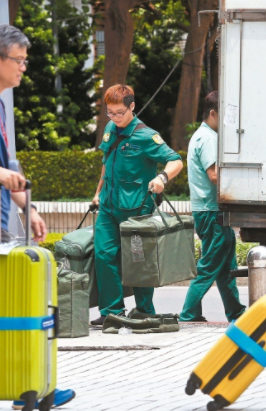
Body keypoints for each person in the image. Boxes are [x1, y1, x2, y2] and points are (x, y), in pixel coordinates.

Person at [0, 22, 75, 410]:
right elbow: (0, 170)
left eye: (25, 60)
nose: (24, 67)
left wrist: (31, 209)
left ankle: (27, 383)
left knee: (7, 307)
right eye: (19, 60)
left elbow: (9, 167)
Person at [90, 84, 183, 326]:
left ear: (132, 106)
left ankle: (144, 309)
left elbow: (175, 160)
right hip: (109, 208)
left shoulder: (145, 136)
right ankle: (112, 311)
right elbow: (106, 162)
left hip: (137, 212)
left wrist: (162, 178)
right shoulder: (110, 128)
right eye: (110, 112)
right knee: (104, 256)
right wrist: (98, 193)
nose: (115, 118)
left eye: (120, 112)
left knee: (139, 261)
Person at [180, 91, 246, 322]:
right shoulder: (208, 138)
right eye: (224, 115)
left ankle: (236, 313)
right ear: (212, 113)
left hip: (210, 211)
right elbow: (214, 175)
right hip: (211, 212)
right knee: (209, 265)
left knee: (226, 267)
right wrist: (244, 186)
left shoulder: (202, 136)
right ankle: (188, 314)